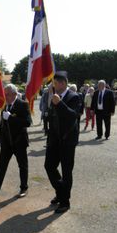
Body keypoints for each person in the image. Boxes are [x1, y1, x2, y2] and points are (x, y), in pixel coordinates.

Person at [0, 84, 32, 199]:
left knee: (22, 165)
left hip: (19, 141)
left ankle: (24, 188)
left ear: (15, 94)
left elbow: (27, 122)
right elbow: (2, 125)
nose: (6, 96)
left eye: (8, 94)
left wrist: (11, 118)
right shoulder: (5, 105)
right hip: (6, 142)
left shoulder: (23, 105)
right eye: (5, 94)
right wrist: (0, 139)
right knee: (2, 165)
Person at [44, 71, 81, 213]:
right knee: (49, 166)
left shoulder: (74, 97)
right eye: (54, 83)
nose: (54, 85)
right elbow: (53, 118)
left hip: (67, 140)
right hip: (54, 139)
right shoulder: (54, 96)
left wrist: (59, 103)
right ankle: (61, 192)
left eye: (57, 83)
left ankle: (65, 202)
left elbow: (73, 116)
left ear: (64, 83)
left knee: (66, 171)